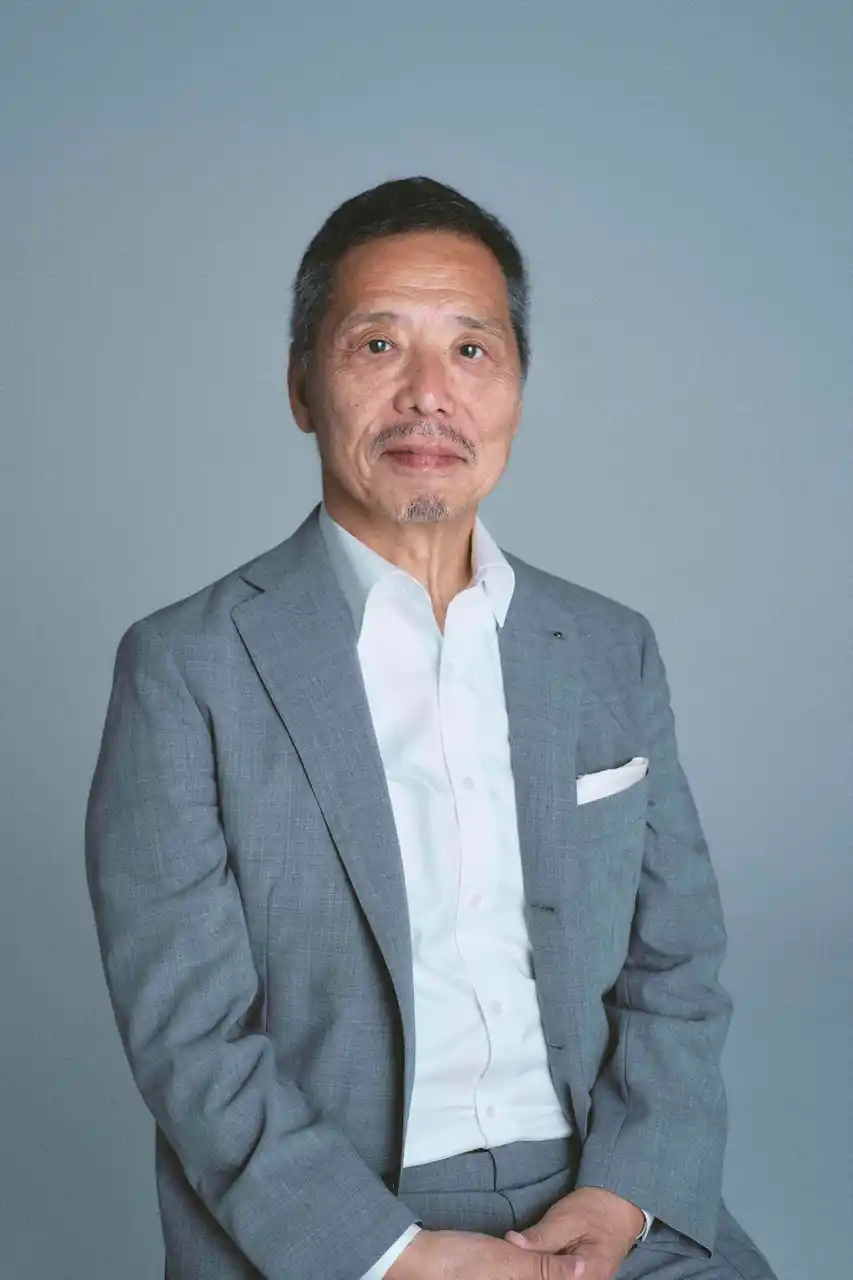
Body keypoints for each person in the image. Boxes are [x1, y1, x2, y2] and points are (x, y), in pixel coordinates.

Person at [85, 176, 778, 1280]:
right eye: (375, 346)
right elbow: (190, 1038)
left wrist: (622, 1194)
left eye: (469, 349)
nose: (427, 395)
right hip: (332, 1223)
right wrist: (396, 1255)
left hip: (604, 1195)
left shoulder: (610, 648)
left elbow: (677, 967)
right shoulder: (185, 667)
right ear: (301, 386)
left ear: (516, 388)